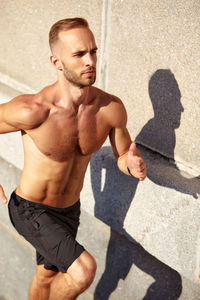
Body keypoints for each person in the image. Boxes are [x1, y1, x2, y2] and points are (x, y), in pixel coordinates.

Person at [0, 17, 146, 300]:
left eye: (93, 51)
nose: (90, 61)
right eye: (79, 54)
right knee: (83, 271)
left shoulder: (110, 109)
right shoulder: (34, 110)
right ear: (57, 62)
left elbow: (121, 156)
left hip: (69, 211)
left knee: (46, 277)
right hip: (30, 209)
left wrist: (131, 165)